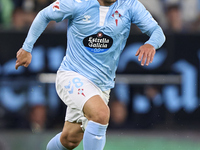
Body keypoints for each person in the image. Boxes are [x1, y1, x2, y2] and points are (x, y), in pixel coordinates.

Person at [15, 0, 165, 149]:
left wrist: (151, 44)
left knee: (70, 140)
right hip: (72, 75)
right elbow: (44, 15)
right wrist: (26, 48)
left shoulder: (130, 5)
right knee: (101, 113)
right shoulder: (77, 2)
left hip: (102, 85)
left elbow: (158, 32)